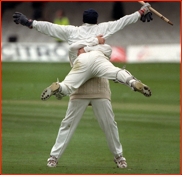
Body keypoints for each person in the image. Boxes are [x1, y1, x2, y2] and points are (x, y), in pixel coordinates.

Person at [47, 37, 127, 168]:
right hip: (79, 92)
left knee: (109, 124)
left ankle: (119, 157)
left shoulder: (103, 51)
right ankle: (53, 157)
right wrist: (94, 41)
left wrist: (93, 45)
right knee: (68, 124)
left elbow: (106, 49)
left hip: (100, 91)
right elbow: (74, 47)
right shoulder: (76, 52)